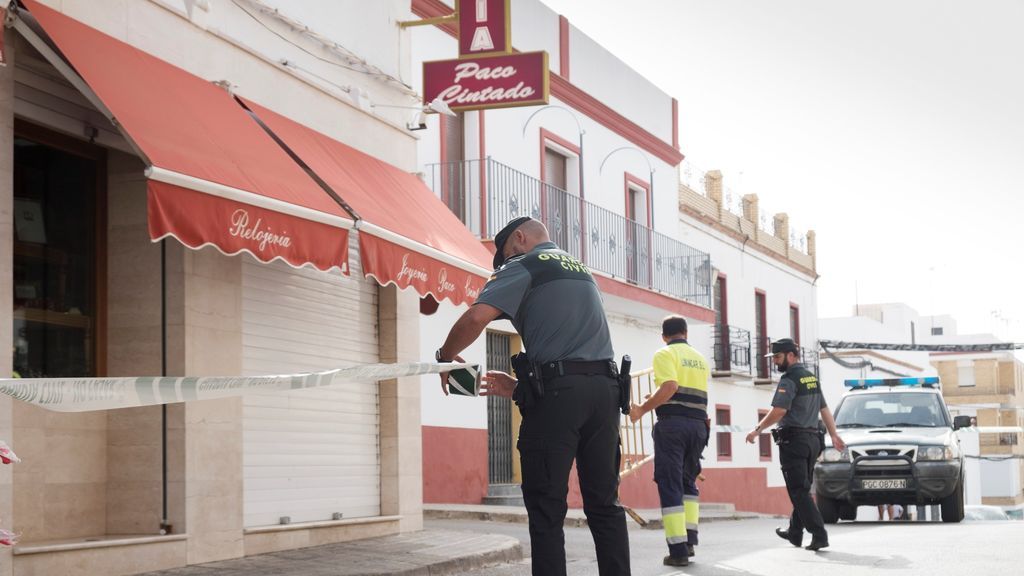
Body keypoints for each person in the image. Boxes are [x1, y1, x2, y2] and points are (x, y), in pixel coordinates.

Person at [435, 217, 630, 576]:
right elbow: (575, 354)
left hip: (559, 399)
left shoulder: (524, 265)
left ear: (521, 239)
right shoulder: (581, 270)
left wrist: (444, 357)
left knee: (546, 508)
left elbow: (477, 317)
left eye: (508, 252)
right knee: (605, 505)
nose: (508, 260)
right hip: (605, 393)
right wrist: (518, 386)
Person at [745, 338, 846, 551]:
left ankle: (819, 534)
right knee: (802, 488)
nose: (775, 362)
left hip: (795, 442)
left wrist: (757, 429)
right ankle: (795, 532)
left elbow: (779, 411)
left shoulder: (789, 379)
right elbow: (824, 409)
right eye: (773, 357)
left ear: (791, 355)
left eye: (778, 357)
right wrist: (834, 434)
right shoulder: (811, 378)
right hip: (813, 442)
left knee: (798, 491)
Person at [629, 315, 709, 568]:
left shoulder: (664, 354)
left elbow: (671, 387)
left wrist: (642, 408)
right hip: (698, 427)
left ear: (664, 336)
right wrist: (657, 397)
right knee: (688, 481)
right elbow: (680, 391)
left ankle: (678, 551)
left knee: (670, 483)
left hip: (673, 427)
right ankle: (689, 542)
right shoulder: (699, 358)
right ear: (686, 332)